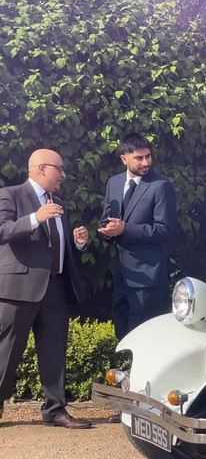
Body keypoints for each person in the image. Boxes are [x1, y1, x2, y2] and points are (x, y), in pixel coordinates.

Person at [0, 149, 92, 429]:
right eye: (60, 169)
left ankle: (55, 410)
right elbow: (2, 230)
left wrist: (77, 242)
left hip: (55, 286)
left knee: (54, 352)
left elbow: (55, 244)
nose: (63, 174)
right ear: (42, 168)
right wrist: (35, 218)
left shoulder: (57, 202)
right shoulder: (11, 194)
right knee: (7, 352)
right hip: (19, 288)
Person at [98, 133, 178, 340]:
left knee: (141, 337)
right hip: (122, 275)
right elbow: (107, 220)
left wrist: (126, 229)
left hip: (148, 278)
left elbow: (166, 230)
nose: (146, 162)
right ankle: (125, 373)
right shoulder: (114, 183)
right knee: (121, 334)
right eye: (139, 158)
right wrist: (107, 231)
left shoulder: (161, 185)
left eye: (148, 156)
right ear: (124, 158)